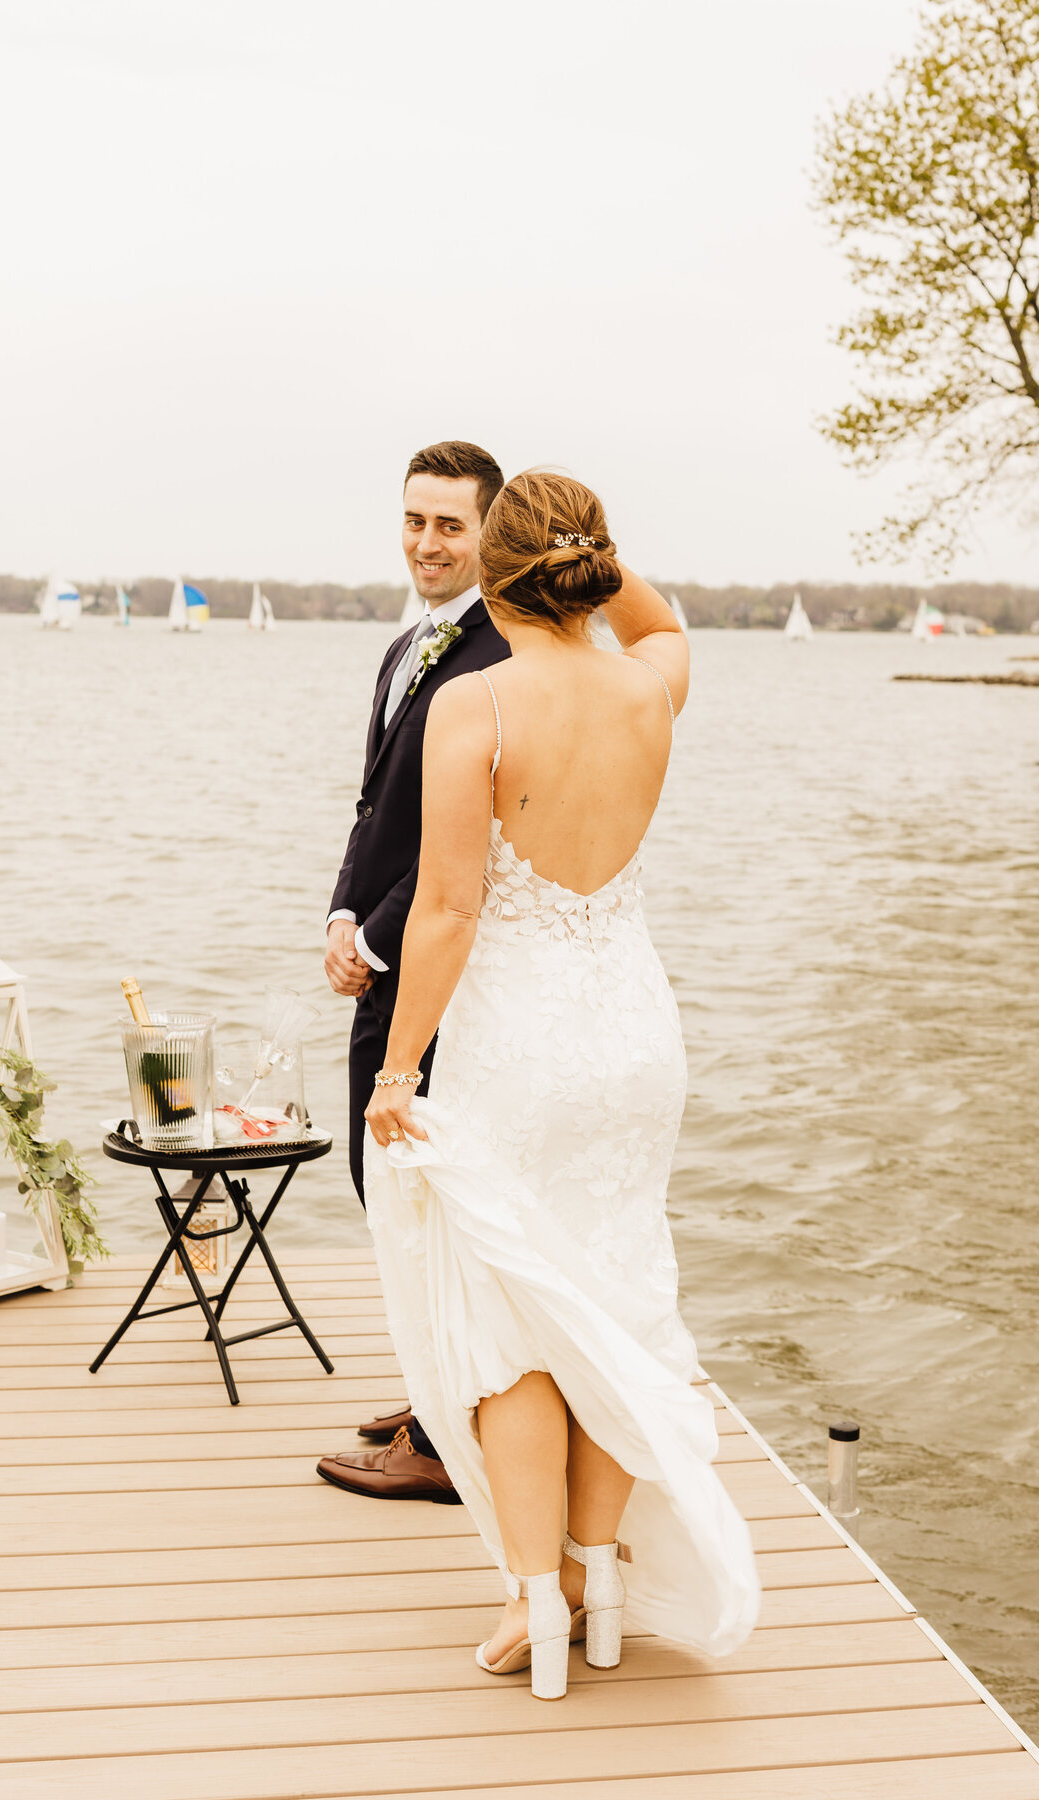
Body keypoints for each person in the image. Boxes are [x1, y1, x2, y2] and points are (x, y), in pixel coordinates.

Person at [362, 471, 760, 1699]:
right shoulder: (650, 688)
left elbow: (443, 908)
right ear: (587, 565)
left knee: (516, 1325)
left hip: (521, 1040)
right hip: (635, 1037)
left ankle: (539, 1603)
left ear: (494, 572)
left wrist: (395, 1065)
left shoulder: (474, 702)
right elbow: (662, 622)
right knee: (612, 1295)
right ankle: (603, 1582)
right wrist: (601, 555)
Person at [317, 439, 510, 1503]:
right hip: (382, 946)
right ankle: (436, 1385)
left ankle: (442, 1442)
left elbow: (464, 840)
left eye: (449, 524)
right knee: (379, 1182)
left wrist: (383, 938)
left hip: (445, 972)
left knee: (423, 1192)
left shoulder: (497, 662)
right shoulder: (405, 650)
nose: (427, 542)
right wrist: (343, 913)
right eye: (414, 520)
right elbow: (373, 811)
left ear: (489, 534)